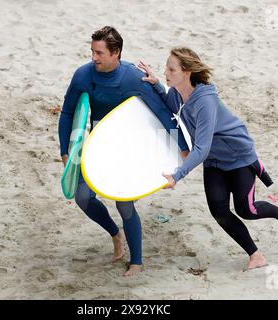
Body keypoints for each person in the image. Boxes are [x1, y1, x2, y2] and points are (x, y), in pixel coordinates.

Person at [139, 47, 278, 270]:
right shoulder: (179, 92)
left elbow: (202, 147)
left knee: (247, 210)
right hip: (214, 161)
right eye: (166, 67)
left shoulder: (205, 100)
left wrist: (177, 176)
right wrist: (157, 83)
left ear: (186, 72)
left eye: (171, 69)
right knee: (219, 211)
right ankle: (255, 255)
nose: (166, 71)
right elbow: (171, 105)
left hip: (238, 157)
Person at [58, 27, 189, 276]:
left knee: (124, 204)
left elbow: (163, 113)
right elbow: (67, 112)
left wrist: (181, 148)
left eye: (99, 53)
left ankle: (136, 261)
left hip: (129, 147)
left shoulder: (133, 77)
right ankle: (115, 234)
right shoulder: (83, 75)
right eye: (92, 51)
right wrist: (66, 150)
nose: (94, 57)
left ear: (116, 52)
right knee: (83, 198)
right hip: (97, 146)